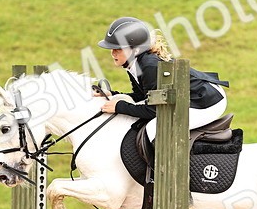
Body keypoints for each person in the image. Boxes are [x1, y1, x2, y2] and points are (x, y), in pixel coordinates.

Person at [94, 17, 229, 143]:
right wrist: (113, 95)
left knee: (154, 129)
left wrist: (119, 107)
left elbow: (154, 110)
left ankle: (177, 161)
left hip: (207, 101)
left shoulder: (149, 67)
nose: (113, 53)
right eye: (112, 48)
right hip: (193, 95)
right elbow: (143, 96)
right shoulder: (134, 64)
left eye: (118, 49)